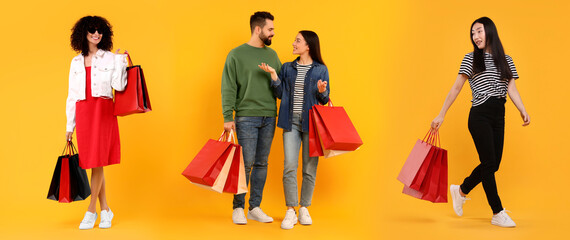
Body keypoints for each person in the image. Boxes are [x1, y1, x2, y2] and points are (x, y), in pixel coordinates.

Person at [430, 17, 530, 228]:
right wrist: (441, 114)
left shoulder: (506, 60)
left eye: (479, 31)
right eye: (473, 34)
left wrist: (522, 110)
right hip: (479, 115)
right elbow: (456, 88)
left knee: (493, 164)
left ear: (490, 31)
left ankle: (461, 190)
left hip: (498, 115)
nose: (475, 37)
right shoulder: (471, 59)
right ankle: (497, 211)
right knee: (489, 164)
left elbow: (511, 88)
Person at [259, 30, 329, 230]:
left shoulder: (321, 69)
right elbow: (280, 93)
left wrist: (322, 92)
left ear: (308, 46)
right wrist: (274, 75)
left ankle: (304, 207)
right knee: (289, 165)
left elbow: (324, 100)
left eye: (297, 41)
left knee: (309, 168)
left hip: (311, 124)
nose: (293, 43)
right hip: (290, 122)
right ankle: (291, 209)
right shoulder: (288, 68)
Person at [65, 16, 128, 230]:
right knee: (93, 161)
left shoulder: (110, 58)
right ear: (83, 33)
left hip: (103, 110)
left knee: (97, 161)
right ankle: (106, 210)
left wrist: (120, 63)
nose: (96, 33)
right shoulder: (75, 62)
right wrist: (69, 126)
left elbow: (118, 87)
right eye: (92, 29)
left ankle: (91, 211)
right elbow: (72, 95)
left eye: (100, 30)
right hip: (83, 112)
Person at [221, 11, 282, 225]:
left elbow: (281, 90)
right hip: (246, 117)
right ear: (258, 29)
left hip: (269, 116)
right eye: (270, 29)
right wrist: (228, 116)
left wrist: (275, 77)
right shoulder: (236, 55)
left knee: (261, 163)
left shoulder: (273, 55)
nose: (273, 33)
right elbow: (228, 87)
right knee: (244, 164)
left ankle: (255, 207)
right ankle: (238, 207)